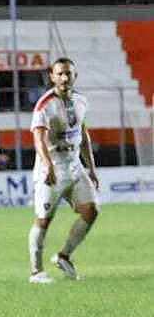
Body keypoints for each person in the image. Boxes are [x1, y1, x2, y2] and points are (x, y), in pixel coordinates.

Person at [28, 58, 99, 283]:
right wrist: (48, 165)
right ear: (52, 76)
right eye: (60, 74)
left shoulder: (81, 100)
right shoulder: (44, 104)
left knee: (91, 210)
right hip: (52, 167)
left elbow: (83, 134)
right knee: (43, 220)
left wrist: (92, 168)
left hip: (75, 165)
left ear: (75, 75)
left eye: (68, 73)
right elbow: (38, 138)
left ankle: (63, 256)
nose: (65, 78)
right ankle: (36, 272)